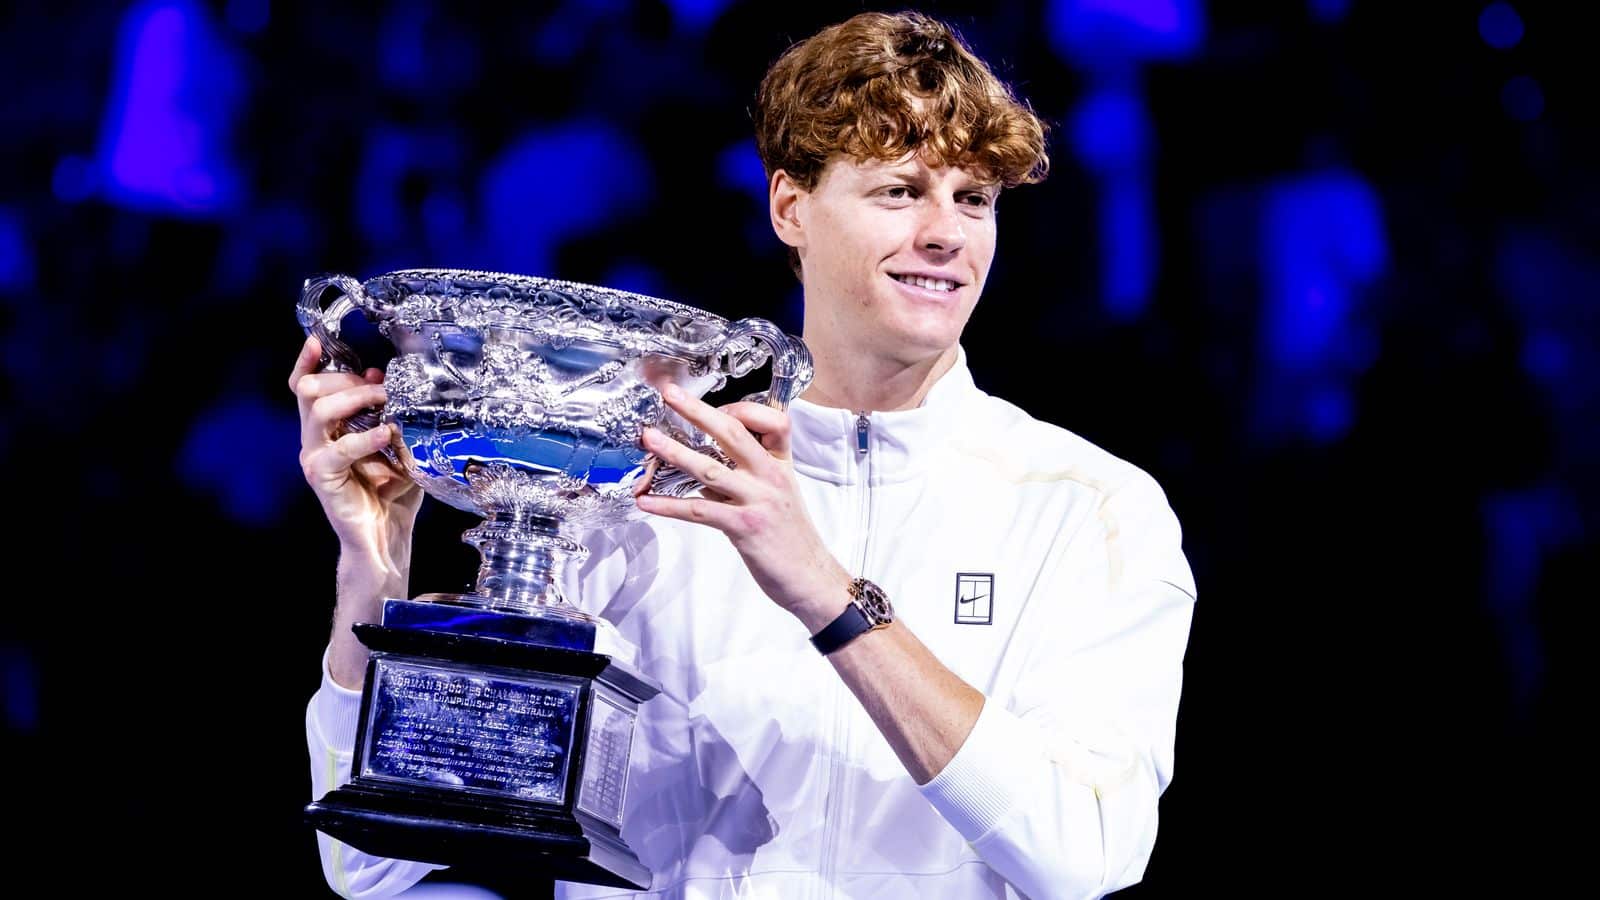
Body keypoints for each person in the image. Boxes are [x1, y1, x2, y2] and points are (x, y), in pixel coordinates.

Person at [293, 10, 1196, 899]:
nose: (946, 234)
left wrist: (830, 597)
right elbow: (372, 868)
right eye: (899, 190)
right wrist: (374, 571)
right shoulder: (639, 490)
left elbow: (1085, 855)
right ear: (791, 206)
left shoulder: (1090, 510)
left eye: (974, 199)